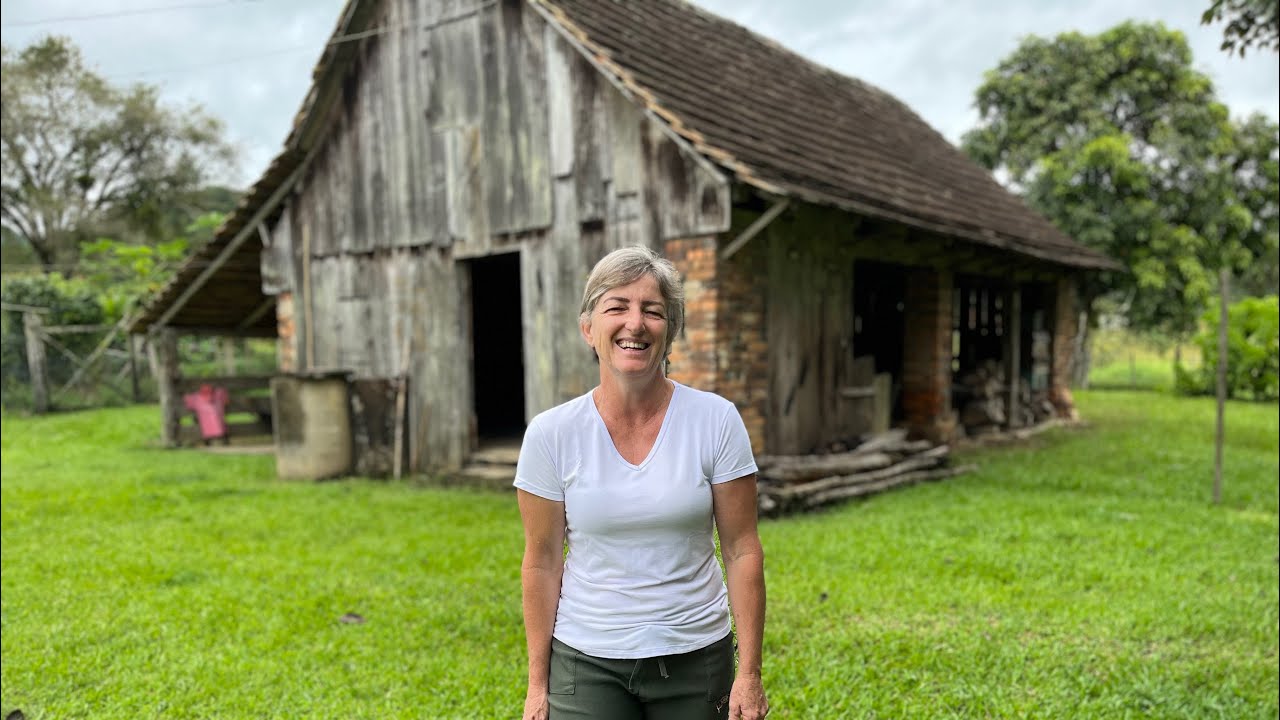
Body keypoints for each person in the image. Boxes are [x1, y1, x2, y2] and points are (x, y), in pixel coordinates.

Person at [515, 245, 769, 720]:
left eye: (653, 311)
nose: (635, 324)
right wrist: (536, 684)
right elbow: (542, 561)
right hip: (586, 659)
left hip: (696, 655)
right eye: (617, 307)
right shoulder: (551, 434)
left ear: (669, 332)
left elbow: (741, 549)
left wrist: (749, 674)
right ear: (589, 328)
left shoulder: (716, 420)